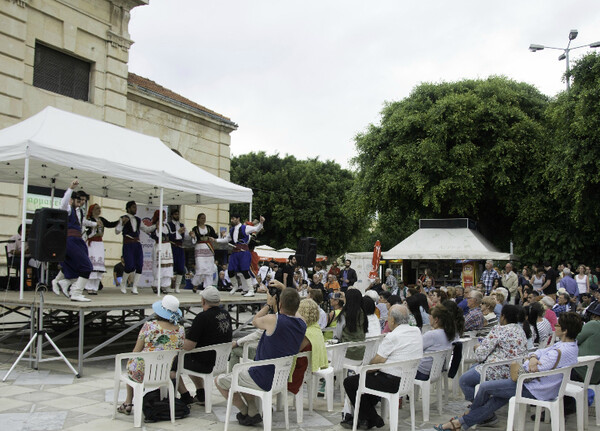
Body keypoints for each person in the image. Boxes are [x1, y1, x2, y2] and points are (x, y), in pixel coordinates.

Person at [437, 312, 582, 430]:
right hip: (540, 385)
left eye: (557, 325)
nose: (554, 327)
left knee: (485, 387)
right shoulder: (570, 346)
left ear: (565, 330)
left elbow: (534, 367)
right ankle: (462, 422)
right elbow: (539, 352)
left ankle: (464, 419)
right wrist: (533, 356)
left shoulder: (560, 351)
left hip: (534, 387)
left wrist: (531, 360)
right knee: (497, 399)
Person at [215, 286, 306, 426]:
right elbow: (295, 311)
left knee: (219, 381)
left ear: (280, 303)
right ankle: (253, 411)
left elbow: (255, 321)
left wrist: (268, 305)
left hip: (261, 377)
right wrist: (285, 291)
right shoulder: (302, 324)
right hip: (281, 378)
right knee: (244, 374)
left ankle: (245, 411)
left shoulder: (272, 320)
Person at [341, 304, 423, 429]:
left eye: (388, 317)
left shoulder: (393, 336)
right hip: (407, 379)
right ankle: (365, 419)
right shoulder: (416, 331)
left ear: (393, 320)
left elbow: (377, 362)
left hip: (391, 380)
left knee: (350, 382)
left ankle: (373, 418)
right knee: (367, 382)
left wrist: (365, 368)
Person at [117, 295, 185, 415]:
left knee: (132, 363)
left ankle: (128, 402)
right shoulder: (180, 330)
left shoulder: (149, 326)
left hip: (143, 371)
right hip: (165, 372)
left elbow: (136, 350)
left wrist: (131, 360)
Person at [175, 286, 232, 405]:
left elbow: (189, 345)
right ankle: (201, 393)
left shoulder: (202, 317)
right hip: (220, 361)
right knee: (190, 357)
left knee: (174, 362)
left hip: (205, 363)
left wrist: (177, 343)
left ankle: (185, 395)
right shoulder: (226, 314)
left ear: (203, 301)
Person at [50, 180, 95, 302]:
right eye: (78, 200)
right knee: (86, 267)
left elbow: (83, 222)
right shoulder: (68, 209)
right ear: (72, 200)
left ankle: (65, 283)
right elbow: (63, 204)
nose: (81, 202)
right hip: (71, 241)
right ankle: (75, 292)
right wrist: (70, 188)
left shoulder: (77, 211)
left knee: (75, 267)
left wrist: (95, 224)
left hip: (77, 240)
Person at [216, 214, 264, 296]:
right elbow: (226, 240)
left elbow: (256, 228)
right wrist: (216, 240)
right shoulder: (232, 230)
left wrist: (261, 222)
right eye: (231, 219)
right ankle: (235, 286)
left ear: (238, 218)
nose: (232, 220)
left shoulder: (245, 228)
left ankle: (251, 290)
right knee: (230, 271)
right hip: (235, 252)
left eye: (233, 218)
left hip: (243, 251)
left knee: (244, 270)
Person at [287, 298, 328, 395]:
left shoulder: (306, 333)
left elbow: (293, 350)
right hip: (308, 367)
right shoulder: (315, 329)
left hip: (299, 370)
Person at [115, 200, 157, 295]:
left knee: (139, 265)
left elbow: (146, 229)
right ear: (128, 208)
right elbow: (117, 231)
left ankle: (135, 286)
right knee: (129, 265)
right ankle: (123, 284)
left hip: (137, 244)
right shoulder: (123, 218)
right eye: (133, 207)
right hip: (128, 244)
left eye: (136, 207)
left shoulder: (138, 219)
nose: (135, 209)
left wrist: (155, 226)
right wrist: (122, 223)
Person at [83, 204, 119, 295]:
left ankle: (95, 287)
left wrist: (120, 221)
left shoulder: (101, 220)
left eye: (99, 208)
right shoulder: (89, 220)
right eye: (96, 209)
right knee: (92, 265)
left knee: (98, 266)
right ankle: (89, 287)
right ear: (92, 210)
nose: (99, 210)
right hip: (92, 243)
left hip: (99, 244)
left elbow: (110, 224)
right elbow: (86, 233)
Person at [416, 304, 456, 381]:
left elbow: (416, 348)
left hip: (423, 371)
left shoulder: (432, 335)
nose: (428, 317)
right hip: (437, 370)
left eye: (430, 315)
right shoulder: (449, 333)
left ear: (436, 319)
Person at [333, 288, 367, 361]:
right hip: (361, 352)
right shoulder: (362, 312)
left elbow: (338, 334)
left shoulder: (344, 314)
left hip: (347, 353)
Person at [189, 213, 218, 292]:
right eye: (202, 218)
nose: (203, 219)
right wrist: (193, 236)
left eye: (204, 218)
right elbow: (194, 240)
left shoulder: (209, 228)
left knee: (209, 268)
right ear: (198, 219)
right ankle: (195, 284)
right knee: (200, 268)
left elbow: (215, 236)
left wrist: (216, 237)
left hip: (208, 249)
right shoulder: (195, 228)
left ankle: (207, 287)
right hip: (199, 249)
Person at [149, 210, 174, 294]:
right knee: (159, 266)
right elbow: (154, 236)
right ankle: (156, 284)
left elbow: (171, 235)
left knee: (167, 267)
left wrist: (179, 232)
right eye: (163, 215)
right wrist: (158, 228)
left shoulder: (167, 226)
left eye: (165, 215)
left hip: (167, 247)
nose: (165, 217)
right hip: (159, 246)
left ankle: (165, 285)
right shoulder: (154, 226)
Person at [166, 209, 187, 293]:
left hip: (180, 247)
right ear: (171, 215)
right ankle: (168, 286)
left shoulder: (182, 225)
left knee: (181, 267)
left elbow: (186, 236)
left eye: (178, 214)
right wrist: (178, 232)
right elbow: (169, 235)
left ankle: (177, 287)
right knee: (170, 267)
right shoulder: (168, 225)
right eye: (175, 214)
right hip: (172, 246)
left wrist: (192, 236)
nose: (177, 216)